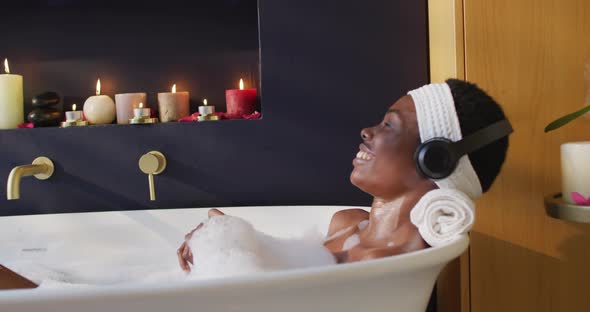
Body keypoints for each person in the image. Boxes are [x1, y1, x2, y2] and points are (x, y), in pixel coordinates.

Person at [178, 79, 511, 271]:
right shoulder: (346, 222)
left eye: (388, 125)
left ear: (435, 160)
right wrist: (220, 236)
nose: (367, 131)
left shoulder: (385, 267)